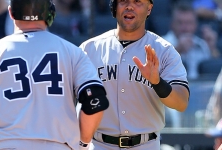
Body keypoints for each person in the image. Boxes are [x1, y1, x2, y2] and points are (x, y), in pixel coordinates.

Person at [0, 0, 109, 149]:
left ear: (10, 13)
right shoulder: (72, 52)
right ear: (50, 13)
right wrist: (83, 142)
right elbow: (95, 99)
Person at [79, 0, 190, 149]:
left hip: (146, 144)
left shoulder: (164, 50)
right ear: (114, 7)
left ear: (149, 9)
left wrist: (157, 83)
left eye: (137, 2)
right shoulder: (89, 49)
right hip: (99, 144)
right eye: (123, 1)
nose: (129, 6)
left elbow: (181, 102)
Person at [163, 2, 217, 80]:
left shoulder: (201, 44)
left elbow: (212, 69)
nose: (185, 27)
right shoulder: (160, 42)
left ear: (196, 25)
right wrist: (178, 49)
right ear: (172, 24)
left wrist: (211, 48)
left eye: (189, 23)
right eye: (180, 23)